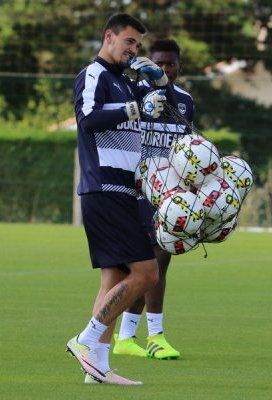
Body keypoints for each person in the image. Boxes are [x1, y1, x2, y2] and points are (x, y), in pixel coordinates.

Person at [67, 13, 174, 385]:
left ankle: (96, 368)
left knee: (113, 279)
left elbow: (164, 101)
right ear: (109, 36)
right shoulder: (94, 74)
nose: (133, 50)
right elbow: (89, 119)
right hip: (105, 190)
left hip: (126, 192)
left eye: (138, 45)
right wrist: (135, 109)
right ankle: (85, 338)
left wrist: (159, 80)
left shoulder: (128, 83)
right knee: (146, 273)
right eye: (128, 41)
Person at [113, 39, 195, 360]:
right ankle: (151, 336)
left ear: (178, 66)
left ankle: (129, 337)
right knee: (148, 263)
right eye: (158, 63)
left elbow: (190, 148)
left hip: (169, 192)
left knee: (158, 261)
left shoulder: (185, 101)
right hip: (136, 188)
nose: (163, 69)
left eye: (169, 64)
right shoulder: (133, 94)